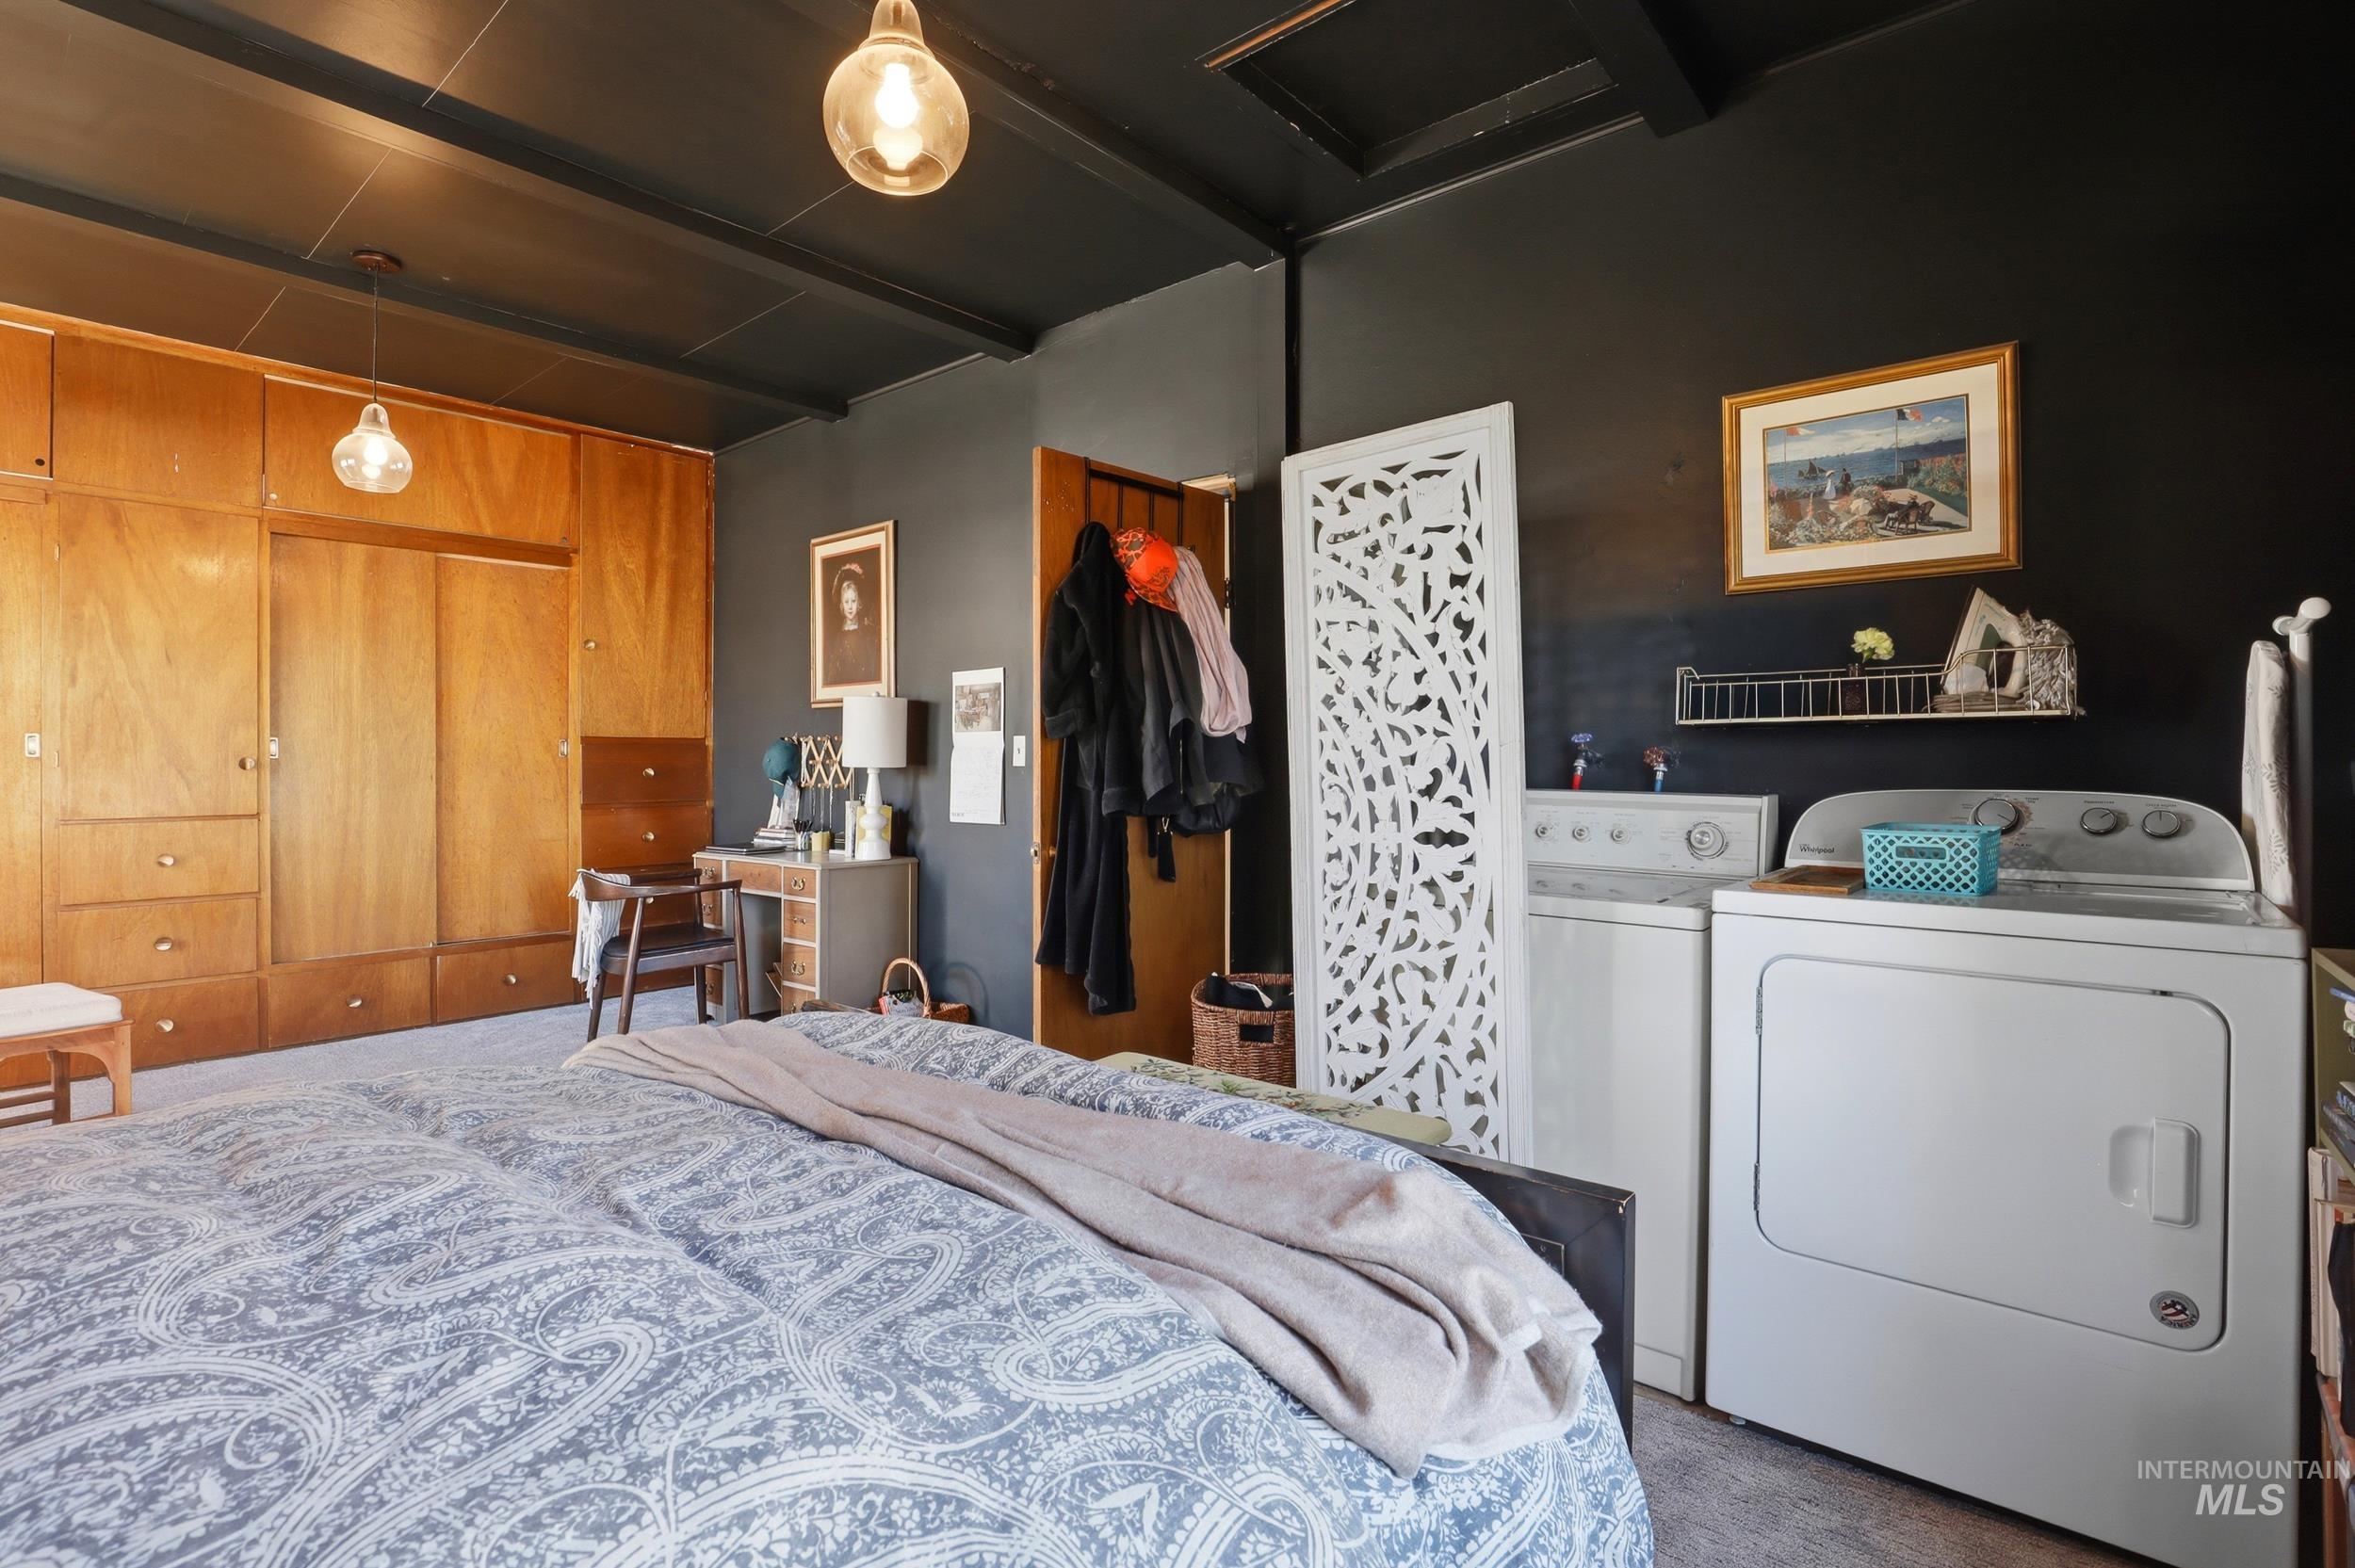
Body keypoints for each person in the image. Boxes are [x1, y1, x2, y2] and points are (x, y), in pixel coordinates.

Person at [825, 560, 881, 688]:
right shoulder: (838, 638)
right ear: (842, 605)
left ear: (859, 603)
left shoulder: (869, 634)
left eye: (853, 601)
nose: (850, 607)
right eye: (846, 602)